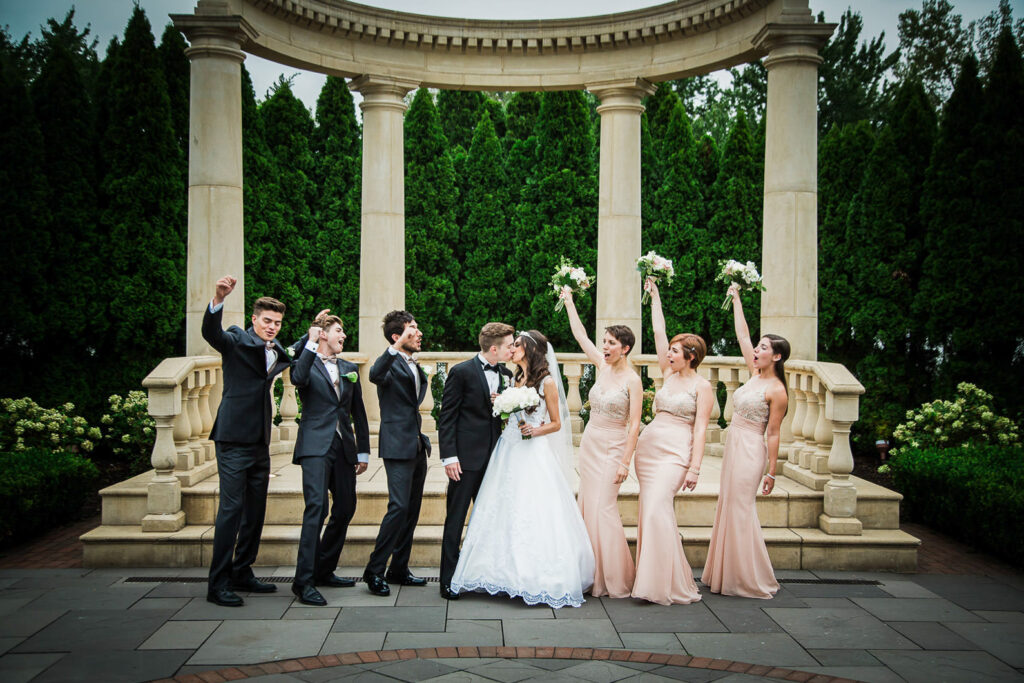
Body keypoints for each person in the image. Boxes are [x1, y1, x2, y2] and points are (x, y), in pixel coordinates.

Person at [450, 330, 595, 608]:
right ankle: (500, 574)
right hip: (508, 449)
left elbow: (556, 423)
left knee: (533, 510)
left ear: (528, 348)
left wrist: (535, 430)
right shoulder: (514, 377)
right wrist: (500, 404)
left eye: (516, 345)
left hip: (533, 452)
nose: (512, 349)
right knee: (501, 505)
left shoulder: (547, 382)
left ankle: (534, 576)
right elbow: (510, 414)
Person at [202, 275, 293, 607]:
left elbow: (292, 355)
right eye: (267, 321)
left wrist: (314, 331)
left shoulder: (277, 347)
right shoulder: (237, 339)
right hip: (232, 437)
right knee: (231, 509)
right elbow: (212, 334)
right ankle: (218, 584)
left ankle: (243, 571)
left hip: (259, 440)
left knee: (255, 510)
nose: (272, 327)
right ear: (254, 319)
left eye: (277, 323)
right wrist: (218, 299)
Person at [703, 282, 788, 599]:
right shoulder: (753, 373)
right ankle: (725, 574)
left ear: (776, 356)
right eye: (759, 346)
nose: (757, 350)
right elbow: (742, 335)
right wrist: (736, 299)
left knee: (741, 507)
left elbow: (774, 432)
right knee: (728, 505)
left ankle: (747, 577)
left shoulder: (777, 390)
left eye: (764, 347)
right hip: (733, 446)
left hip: (752, 449)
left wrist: (771, 471)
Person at [630, 278, 711, 605]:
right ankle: (654, 580)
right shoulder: (667, 374)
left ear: (690, 356)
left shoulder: (702, 387)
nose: (668, 353)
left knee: (656, 511)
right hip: (648, 451)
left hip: (676, 454)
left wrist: (694, 468)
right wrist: (655, 296)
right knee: (651, 511)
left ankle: (668, 582)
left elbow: (701, 429)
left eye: (675, 351)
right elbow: (659, 330)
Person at [560, 290, 640, 599]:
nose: (604, 347)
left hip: (613, 447)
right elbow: (580, 335)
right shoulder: (601, 367)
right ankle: (588, 572)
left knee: (604, 507)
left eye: (611, 344)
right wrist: (568, 300)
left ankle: (613, 577)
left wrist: (625, 462)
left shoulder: (632, 380)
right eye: (604, 342)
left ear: (625, 348)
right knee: (587, 506)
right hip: (592, 444)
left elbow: (634, 424)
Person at [289, 314, 370, 606]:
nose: (344, 335)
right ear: (322, 335)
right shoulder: (306, 362)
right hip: (314, 445)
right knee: (317, 507)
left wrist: (363, 451)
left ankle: (324, 569)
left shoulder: (349, 368)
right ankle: (303, 582)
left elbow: (358, 413)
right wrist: (309, 340)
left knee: (346, 506)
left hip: (344, 447)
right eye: (338, 330)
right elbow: (297, 379)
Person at [437, 322, 516, 601]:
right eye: (509, 345)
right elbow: (447, 417)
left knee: (489, 520)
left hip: (496, 460)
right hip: (465, 461)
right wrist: (449, 456)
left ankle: (486, 575)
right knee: (455, 520)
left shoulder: (507, 373)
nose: (513, 348)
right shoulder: (461, 372)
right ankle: (447, 580)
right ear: (494, 348)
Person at [363, 310, 431, 596]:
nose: (419, 333)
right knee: (399, 507)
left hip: (416, 444)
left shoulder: (414, 365)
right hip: (396, 445)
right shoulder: (389, 365)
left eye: (416, 328)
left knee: (412, 511)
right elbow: (374, 374)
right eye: (412, 329)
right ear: (396, 336)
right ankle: (374, 571)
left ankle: (399, 569)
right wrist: (392, 349)